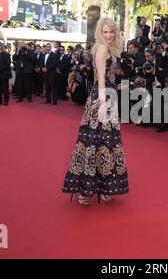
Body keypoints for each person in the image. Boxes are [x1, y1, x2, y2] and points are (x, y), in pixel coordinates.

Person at [62, 17, 129, 207]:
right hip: (102, 99)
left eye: (111, 32)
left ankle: (104, 187)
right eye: (105, 32)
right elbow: (100, 78)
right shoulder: (101, 48)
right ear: (99, 32)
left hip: (106, 98)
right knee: (93, 143)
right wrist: (102, 103)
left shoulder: (106, 48)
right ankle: (82, 190)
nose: (108, 35)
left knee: (104, 143)